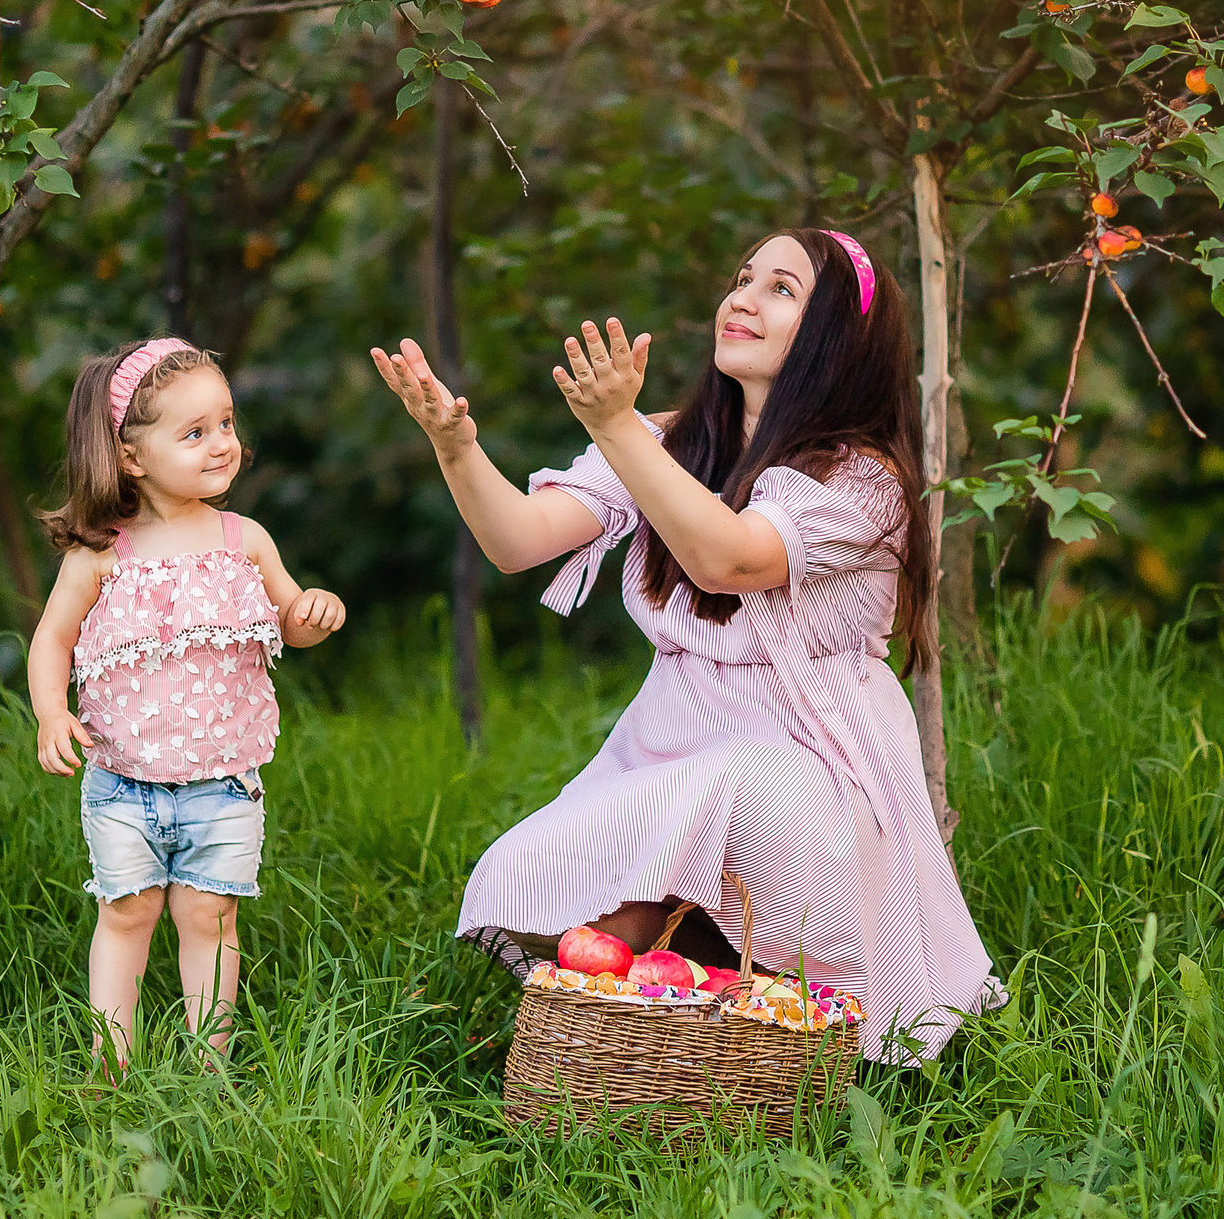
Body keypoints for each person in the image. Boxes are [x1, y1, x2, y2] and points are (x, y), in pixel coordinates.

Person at [371, 229, 1001, 1061]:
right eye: (742, 277)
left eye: (781, 288)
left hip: (810, 771)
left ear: (832, 339)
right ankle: (683, 1009)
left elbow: (729, 556)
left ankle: (762, 995)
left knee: (730, 783)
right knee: (537, 885)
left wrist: (616, 427)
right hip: (673, 742)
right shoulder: (674, 439)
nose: (741, 297)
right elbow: (518, 538)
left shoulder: (863, 479)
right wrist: (455, 447)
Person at [28, 337, 347, 1064]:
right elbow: (51, 640)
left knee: (211, 914)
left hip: (223, 781)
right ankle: (113, 1067)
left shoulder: (245, 541)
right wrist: (53, 710)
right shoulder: (102, 552)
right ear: (132, 456)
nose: (221, 444)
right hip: (122, 782)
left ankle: (210, 1067)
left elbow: (290, 616)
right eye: (194, 432)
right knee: (127, 912)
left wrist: (313, 611)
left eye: (227, 423)